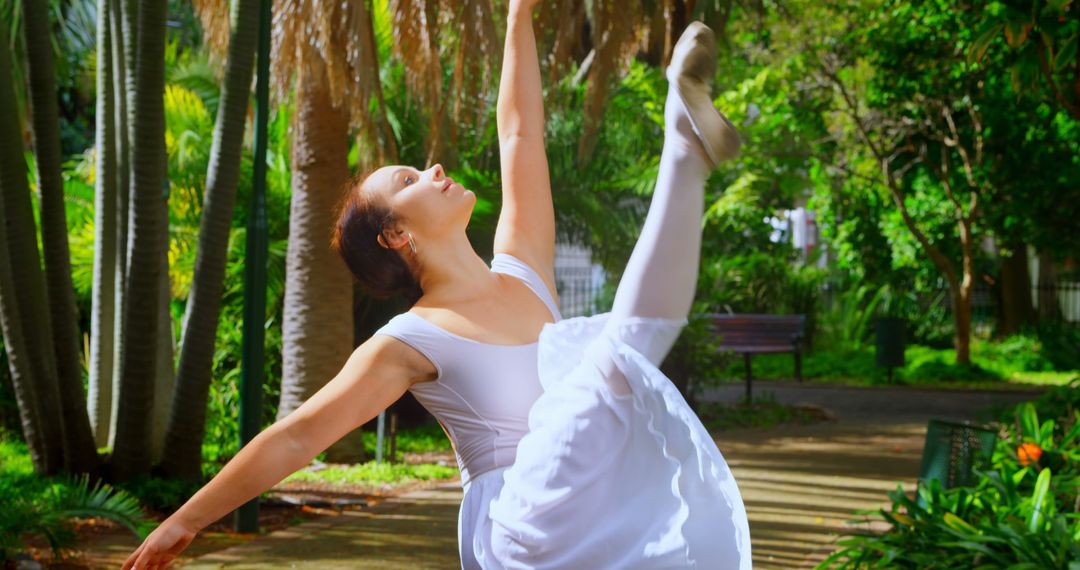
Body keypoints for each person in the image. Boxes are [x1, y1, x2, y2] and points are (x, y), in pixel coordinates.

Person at [122, 1, 750, 568]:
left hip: (597, 502)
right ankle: (683, 148)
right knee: (611, 358)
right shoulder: (407, 340)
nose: (435, 168)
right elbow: (296, 435)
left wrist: (517, 16)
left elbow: (520, 133)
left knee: (611, 363)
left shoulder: (523, 267)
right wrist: (184, 521)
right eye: (409, 179)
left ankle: (684, 147)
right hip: (517, 523)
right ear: (395, 235)